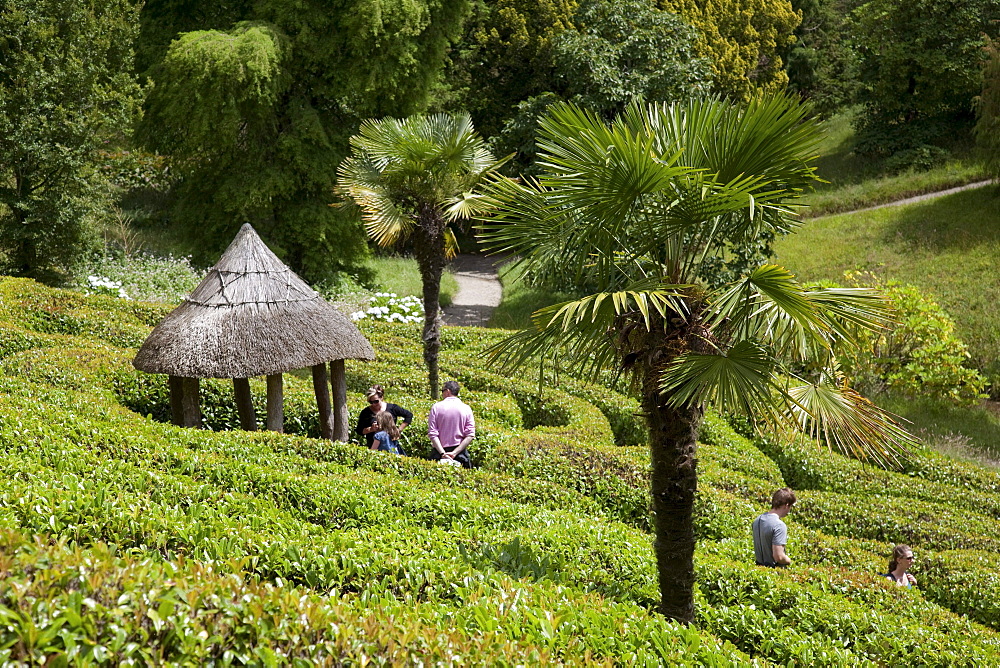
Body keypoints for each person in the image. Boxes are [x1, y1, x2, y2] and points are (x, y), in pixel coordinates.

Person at [427, 380, 475, 468]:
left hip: (439, 452)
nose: (442, 394)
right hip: (460, 453)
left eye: (442, 391)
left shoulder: (436, 407)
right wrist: (454, 453)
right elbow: (470, 435)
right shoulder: (466, 408)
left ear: (448, 391)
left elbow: (432, 434)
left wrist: (443, 453)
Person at [355, 385, 412, 451]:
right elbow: (359, 430)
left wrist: (398, 430)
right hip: (374, 444)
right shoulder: (366, 412)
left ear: (381, 397)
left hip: (391, 444)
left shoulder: (392, 408)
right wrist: (371, 429)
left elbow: (409, 415)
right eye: (371, 402)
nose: (373, 404)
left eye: (376, 401)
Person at [752, 487, 796, 568]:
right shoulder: (779, 525)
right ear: (786, 505)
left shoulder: (757, 520)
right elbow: (778, 556)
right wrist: (789, 561)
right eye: (790, 507)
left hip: (758, 568)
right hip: (774, 571)